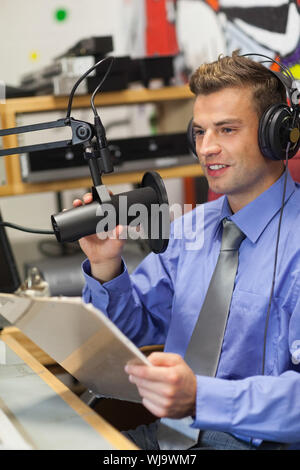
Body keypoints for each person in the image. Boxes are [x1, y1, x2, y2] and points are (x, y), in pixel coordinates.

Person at [74, 51, 300, 450]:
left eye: (226, 130)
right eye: (199, 132)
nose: (207, 148)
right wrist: (105, 264)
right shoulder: (189, 228)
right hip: (170, 436)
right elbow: (132, 332)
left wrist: (201, 397)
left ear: (277, 134)